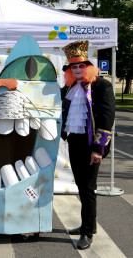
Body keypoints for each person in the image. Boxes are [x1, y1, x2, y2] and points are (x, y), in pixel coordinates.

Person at [61, 40, 115, 250]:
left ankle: (87, 233)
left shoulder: (102, 85)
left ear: (89, 67)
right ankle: (87, 225)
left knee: (89, 188)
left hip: (92, 144)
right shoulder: (69, 88)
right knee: (82, 187)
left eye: (81, 66)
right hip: (74, 141)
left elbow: (106, 118)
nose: (77, 69)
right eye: (73, 67)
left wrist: (98, 149)